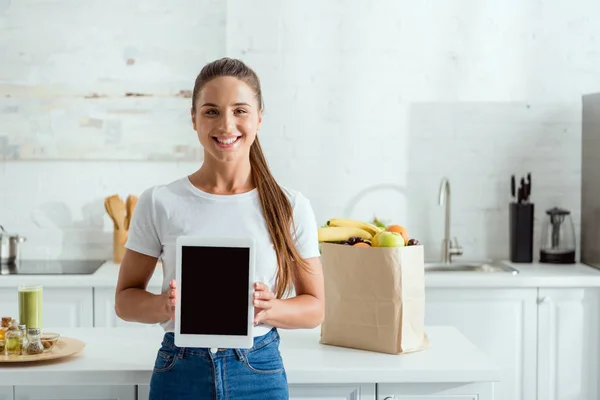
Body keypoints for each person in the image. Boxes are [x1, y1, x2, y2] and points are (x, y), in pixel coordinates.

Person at [114, 57, 325, 400]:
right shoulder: (159, 201)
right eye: (211, 111)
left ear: (259, 118)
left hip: (258, 372)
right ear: (194, 118)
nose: (227, 125)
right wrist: (164, 307)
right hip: (179, 371)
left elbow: (315, 308)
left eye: (240, 110)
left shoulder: (291, 205)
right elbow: (125, 302)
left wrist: (270, 309)